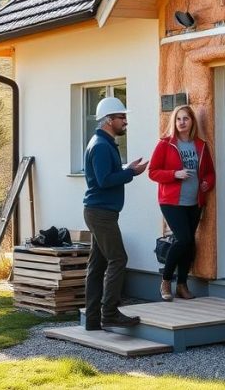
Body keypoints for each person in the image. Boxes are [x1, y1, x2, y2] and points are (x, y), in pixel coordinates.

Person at [82, 96, 148, 331]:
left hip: (99, 212)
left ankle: (92, 320)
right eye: (122, 117)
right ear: (109, 120)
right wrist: (132, 173)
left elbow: (107, 174)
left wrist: (126, 169)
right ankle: (109, 314)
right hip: (101, 214)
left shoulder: (103, 143)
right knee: (118, 259)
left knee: (97, 266)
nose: (125, 121)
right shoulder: (100, 146)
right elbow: (104, 180)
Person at [148, 105, 216, 302]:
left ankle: (182, 285)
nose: (182, 122)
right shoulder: (165, 144)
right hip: (171, 201)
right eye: (178, 119)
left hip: (194, 201)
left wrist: (207, 183)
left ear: (192, 121)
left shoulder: (201, 145)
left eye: (186, 119)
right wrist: (174, 174)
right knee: (184, 240)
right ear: (174, 122)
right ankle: (166, 280)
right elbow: (152, 172)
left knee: (188, 244)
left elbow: (210, 172)